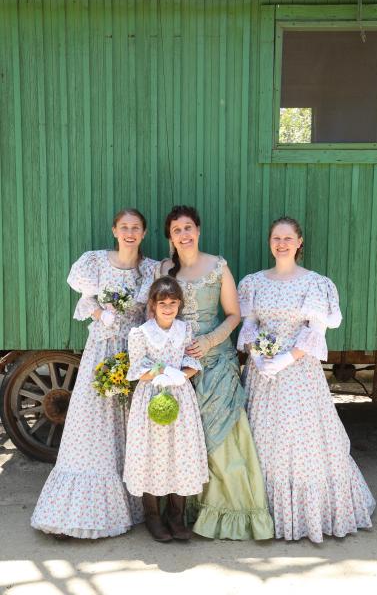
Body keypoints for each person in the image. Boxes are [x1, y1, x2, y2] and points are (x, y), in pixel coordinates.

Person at [237, 216, 375, 543]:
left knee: (300, 444)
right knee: (262, 439)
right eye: (276, 238)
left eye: (288, 238)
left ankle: (308, 515)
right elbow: (250, 324)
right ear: (270, 242)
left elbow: (315, 332)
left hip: (299, 375)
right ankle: (262, 513)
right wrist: (258, 356)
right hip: (262, 375)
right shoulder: (253, 282)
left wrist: (285, 359)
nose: (281, 243)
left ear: (299, 242)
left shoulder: (315, 284)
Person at [31, 208, 157, 539]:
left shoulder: (150, 269)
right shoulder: (96, 262)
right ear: (115, 230)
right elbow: (87, 303)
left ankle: (128, 503)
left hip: (133, 354)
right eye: (124, 227)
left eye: (136, 228)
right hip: (101, 351)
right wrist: (102, 314)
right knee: (94, 424)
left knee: (129, 425)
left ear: (144, 233)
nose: (130, 232)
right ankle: (79, 509)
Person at [158, 205, 274, 541]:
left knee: (220, 434)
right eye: (177, 229)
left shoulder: (218, 266)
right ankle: (179, 511)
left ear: (198, 230)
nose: (184, 233)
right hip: (176, 360)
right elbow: (156, 311)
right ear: (170, 236)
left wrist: (209, 341)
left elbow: (234, 314)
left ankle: (226, 511)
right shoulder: (165, 269)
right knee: (179, 437)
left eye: (189, 227)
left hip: (216, 359)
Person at [123, 276, 208, 542]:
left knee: (179, 454)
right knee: (153, 454)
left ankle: (176, 515)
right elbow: (137, 369)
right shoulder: (140, 333)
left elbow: (193, 361)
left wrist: (182, 375)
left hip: (180, 397)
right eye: (163, 303)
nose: (168, 308)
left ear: (179, 304)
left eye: (173, 303)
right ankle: (153, 516)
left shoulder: (185, 329)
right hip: (152, 397)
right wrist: (162, 371)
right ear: (152, 305)